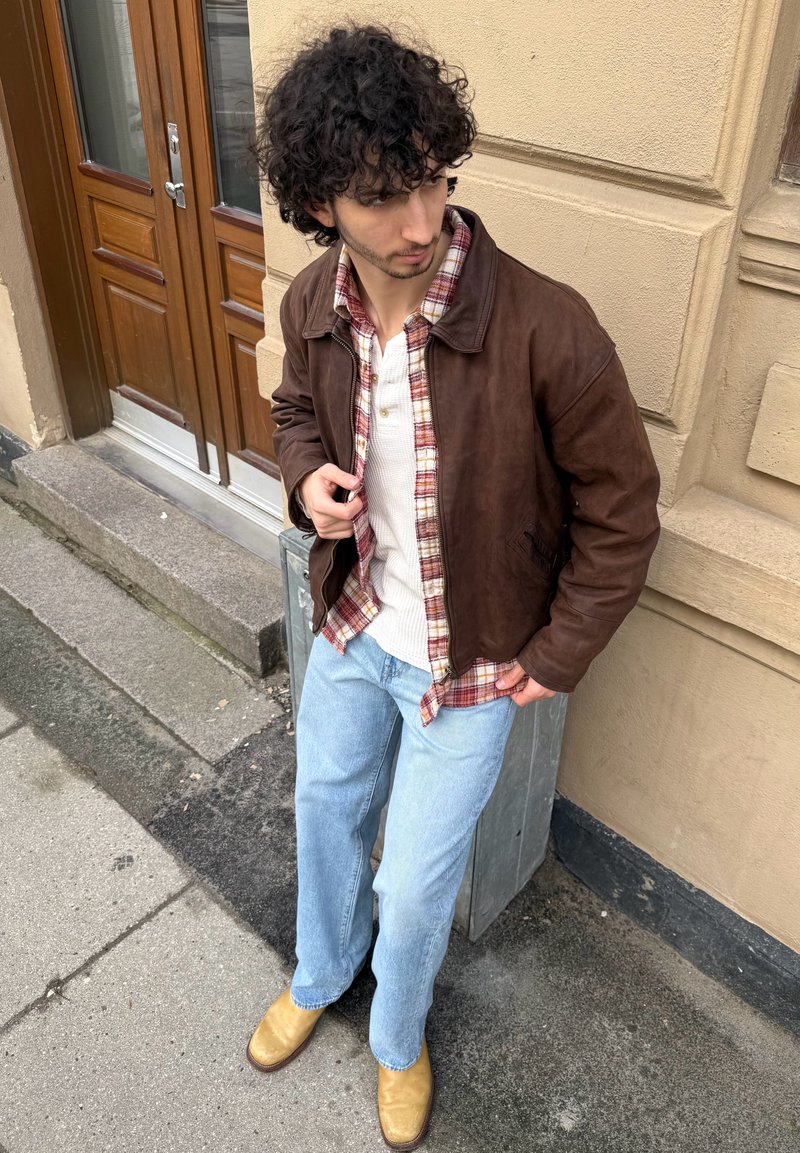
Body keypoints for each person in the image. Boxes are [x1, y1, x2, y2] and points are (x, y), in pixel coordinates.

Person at [249, 24, 660, 1149]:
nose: (421, 222)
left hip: (471, 668)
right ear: (320, 198)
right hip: (348, 628)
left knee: (420, 887)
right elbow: (292, 413)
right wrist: (304, 483)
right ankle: (318, 970)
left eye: (433, 180)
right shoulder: (310, 306)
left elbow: (623, 516)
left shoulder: (547, 327)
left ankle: (396, 1036)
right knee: (326, 816)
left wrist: (557, 651)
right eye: (383, 195)